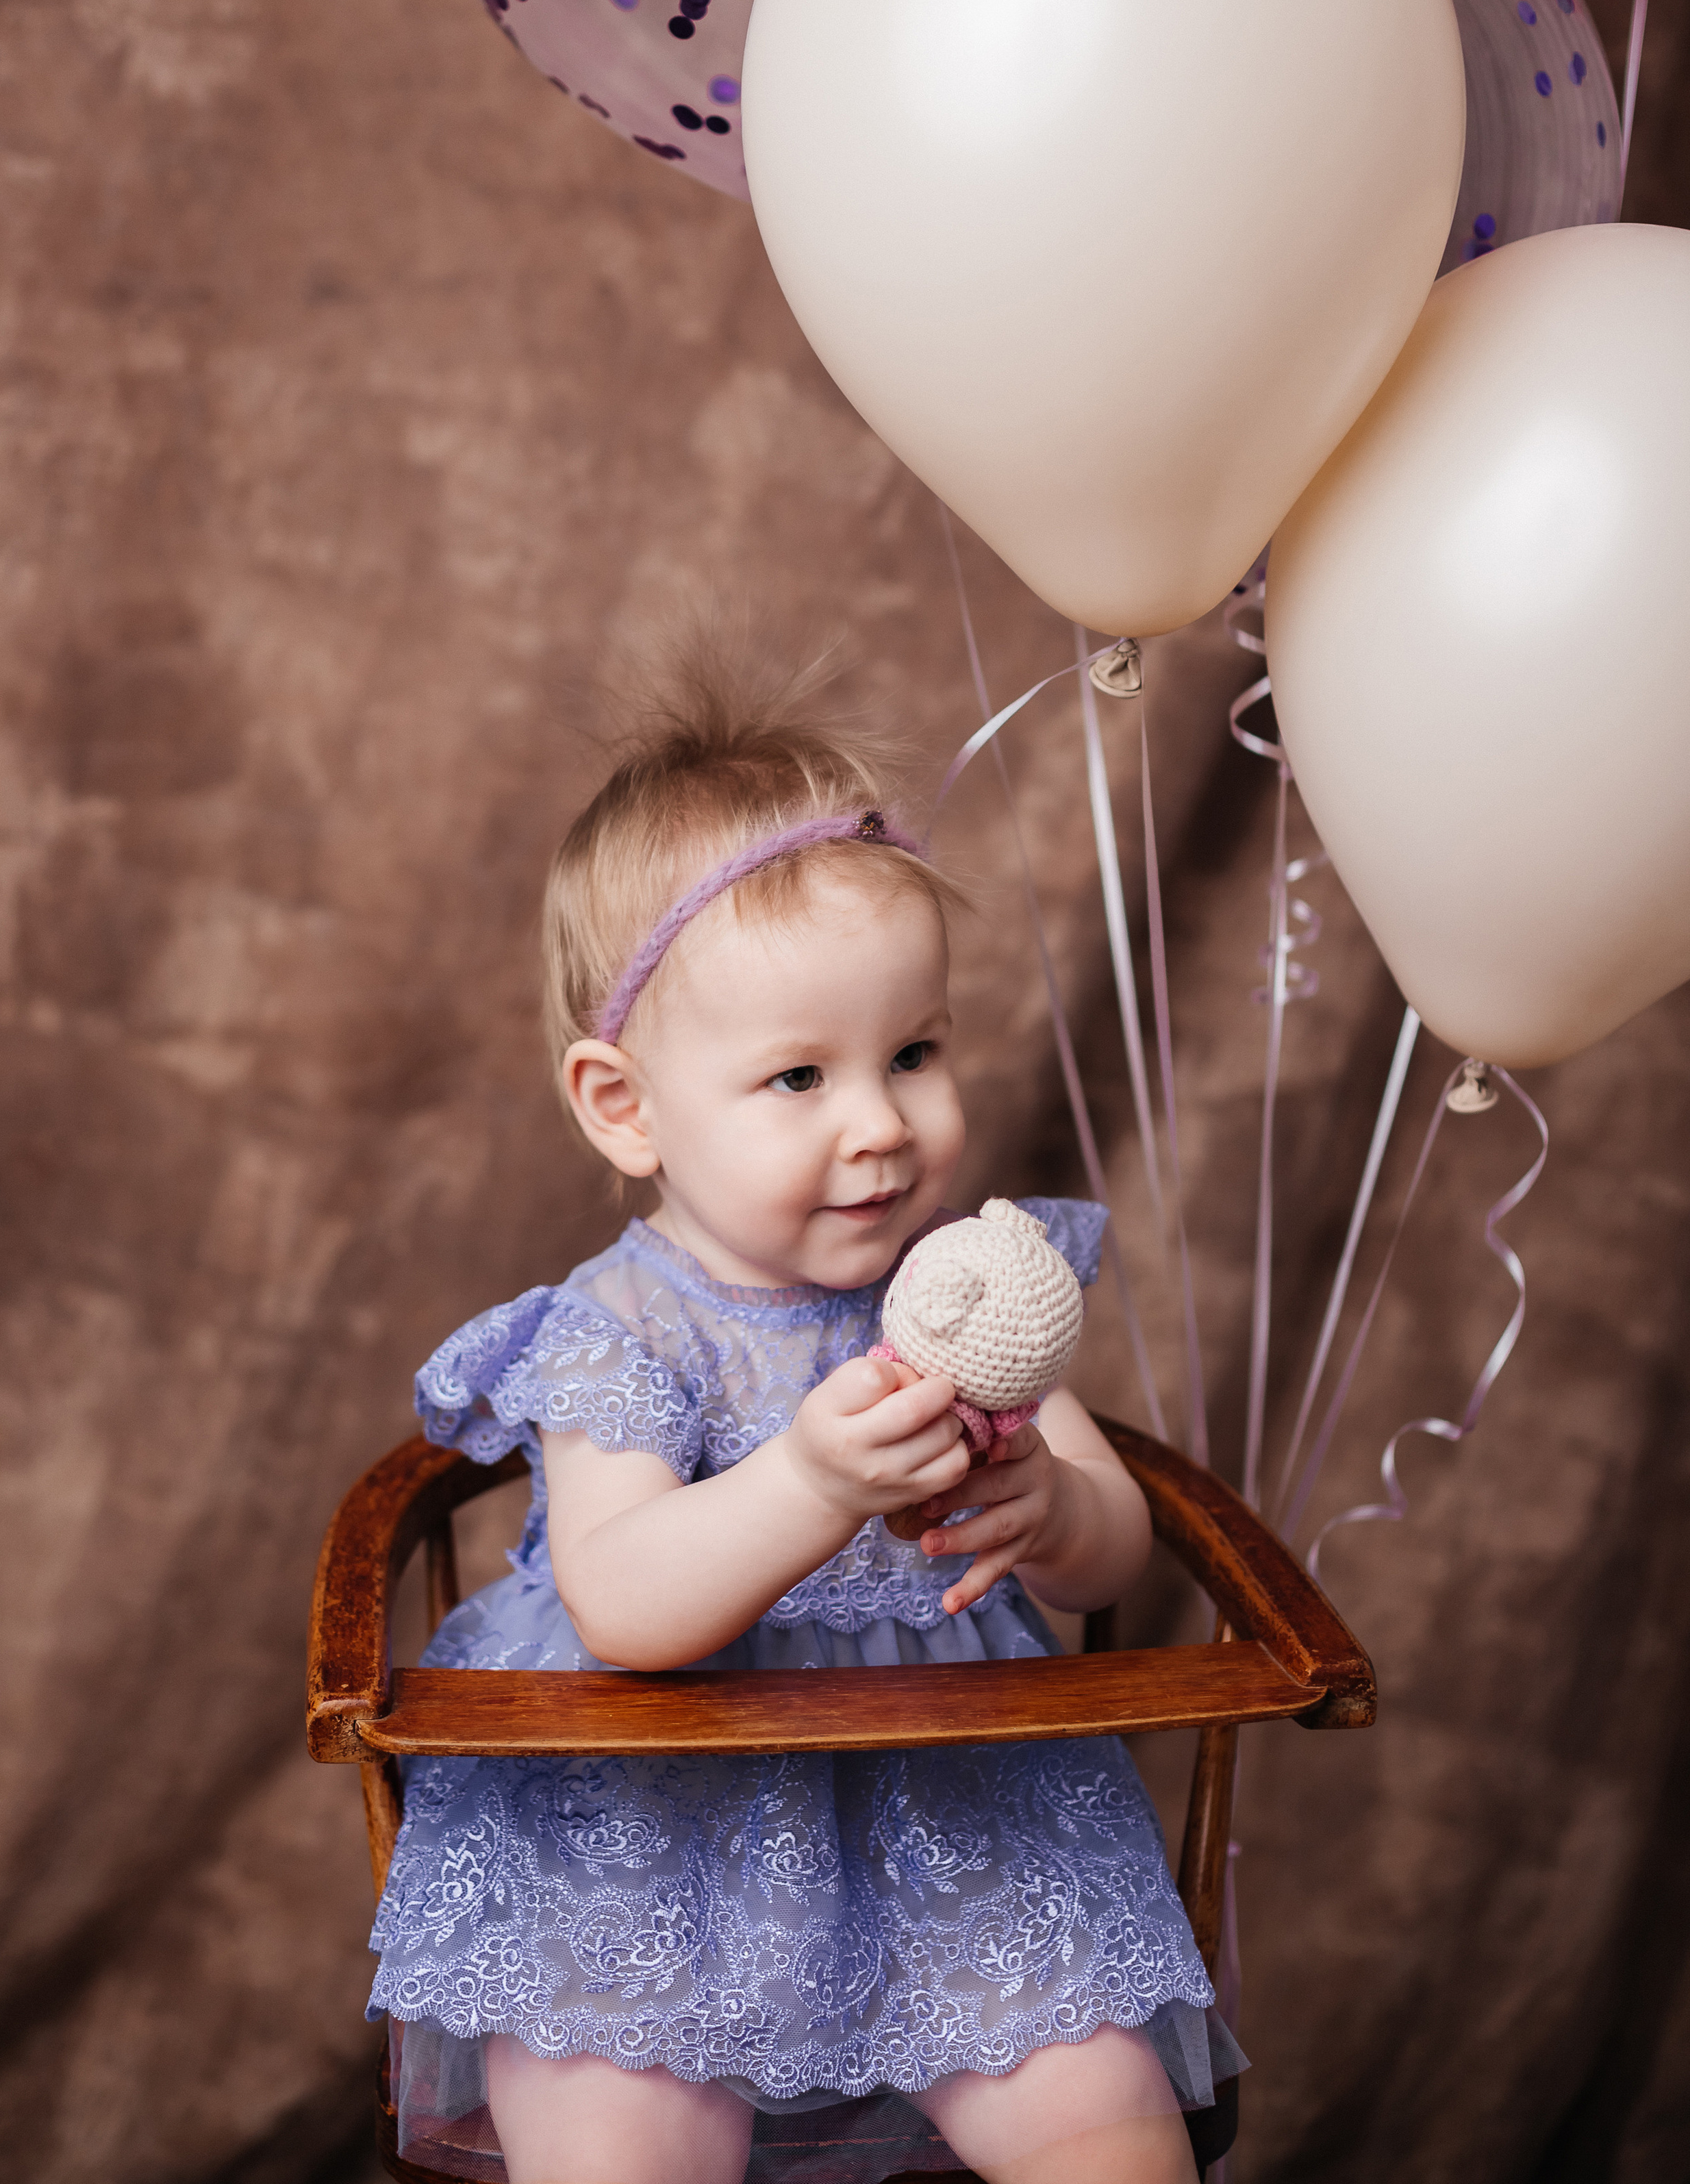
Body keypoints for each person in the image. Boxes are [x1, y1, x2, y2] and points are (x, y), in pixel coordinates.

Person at [368, 666, 1241, 2184]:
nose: (883, 1123)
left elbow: (1107, 1563)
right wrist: (810, 1479)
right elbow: (626, 1600)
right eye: (797, 1076)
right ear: (622, 1104)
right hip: (646, 1834)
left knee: (1115, 2152)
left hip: (956, 1825)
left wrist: (1048, 1508)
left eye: (912, 1052)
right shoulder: (619, 1331)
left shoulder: (963, 1292)